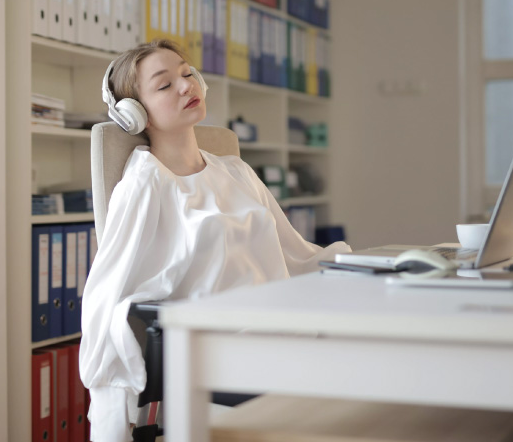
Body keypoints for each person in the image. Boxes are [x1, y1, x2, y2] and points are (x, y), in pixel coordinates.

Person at [79, 39, 350, 442]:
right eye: (165, 84)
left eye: (188, 74)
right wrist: (112, 413)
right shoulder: (146, 183)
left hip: (277, 332)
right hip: (223, 350)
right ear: (135, 114)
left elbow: (296, 254)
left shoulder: (236, 171)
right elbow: (106, 297)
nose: (186, 86)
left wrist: (365, 268)